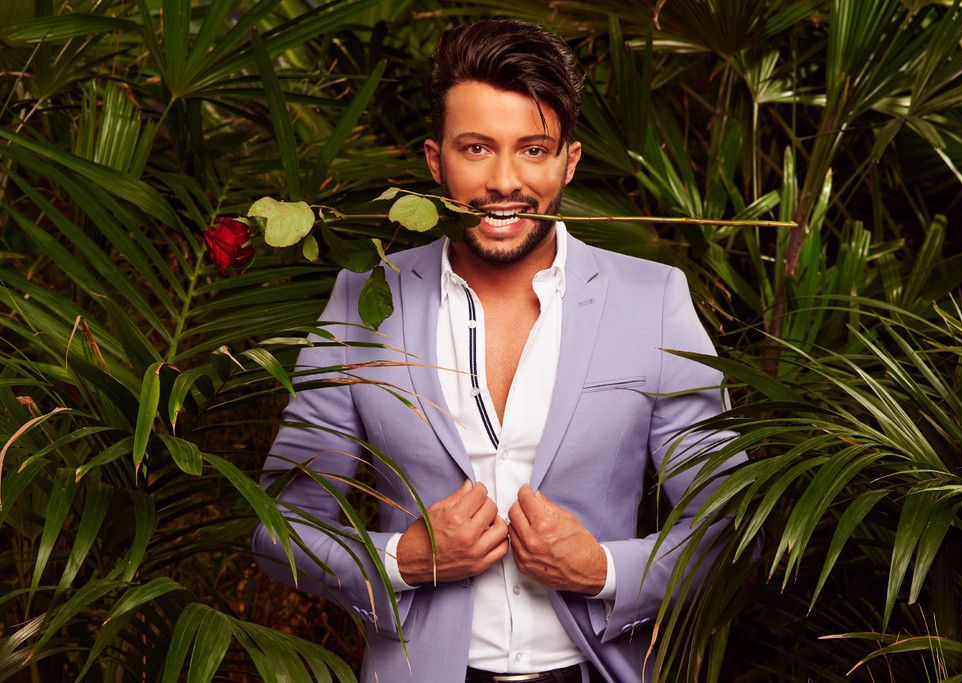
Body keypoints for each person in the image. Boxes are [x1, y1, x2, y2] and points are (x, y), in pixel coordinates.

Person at [252, 18, 745, 683]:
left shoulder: (652, 300)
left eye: (533, 150)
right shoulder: (361, 302)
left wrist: (603, 569)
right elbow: (278, 528)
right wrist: (401, 559)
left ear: (569, 160)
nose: (504, 180)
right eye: (477, 148)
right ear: (436, 161)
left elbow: (729, 526)